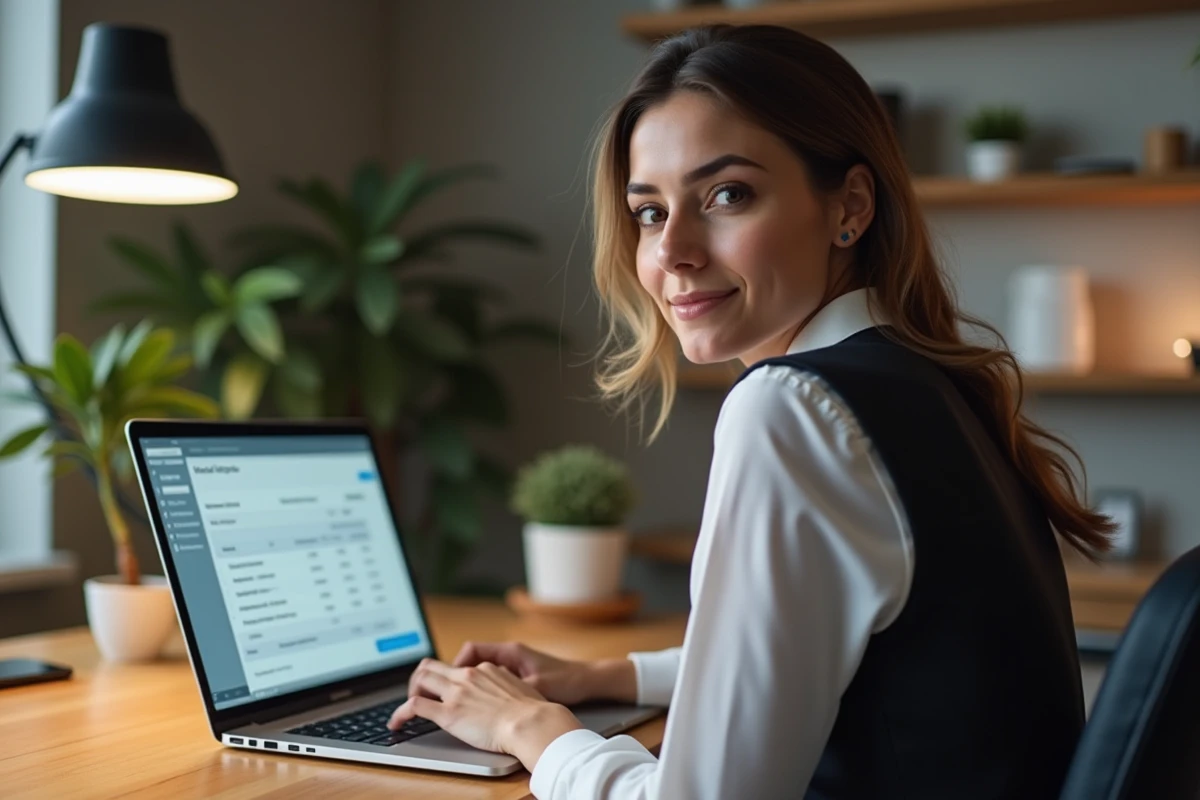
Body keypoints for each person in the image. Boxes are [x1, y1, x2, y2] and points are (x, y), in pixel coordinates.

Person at [385, 24, 1112, 799]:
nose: (673, 254)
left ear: (850, 208)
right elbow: (833, 654)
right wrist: (603, 675)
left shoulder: (790, 407)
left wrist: (529, 729)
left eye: (728, 195)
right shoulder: (931, 382)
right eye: (651, 213)